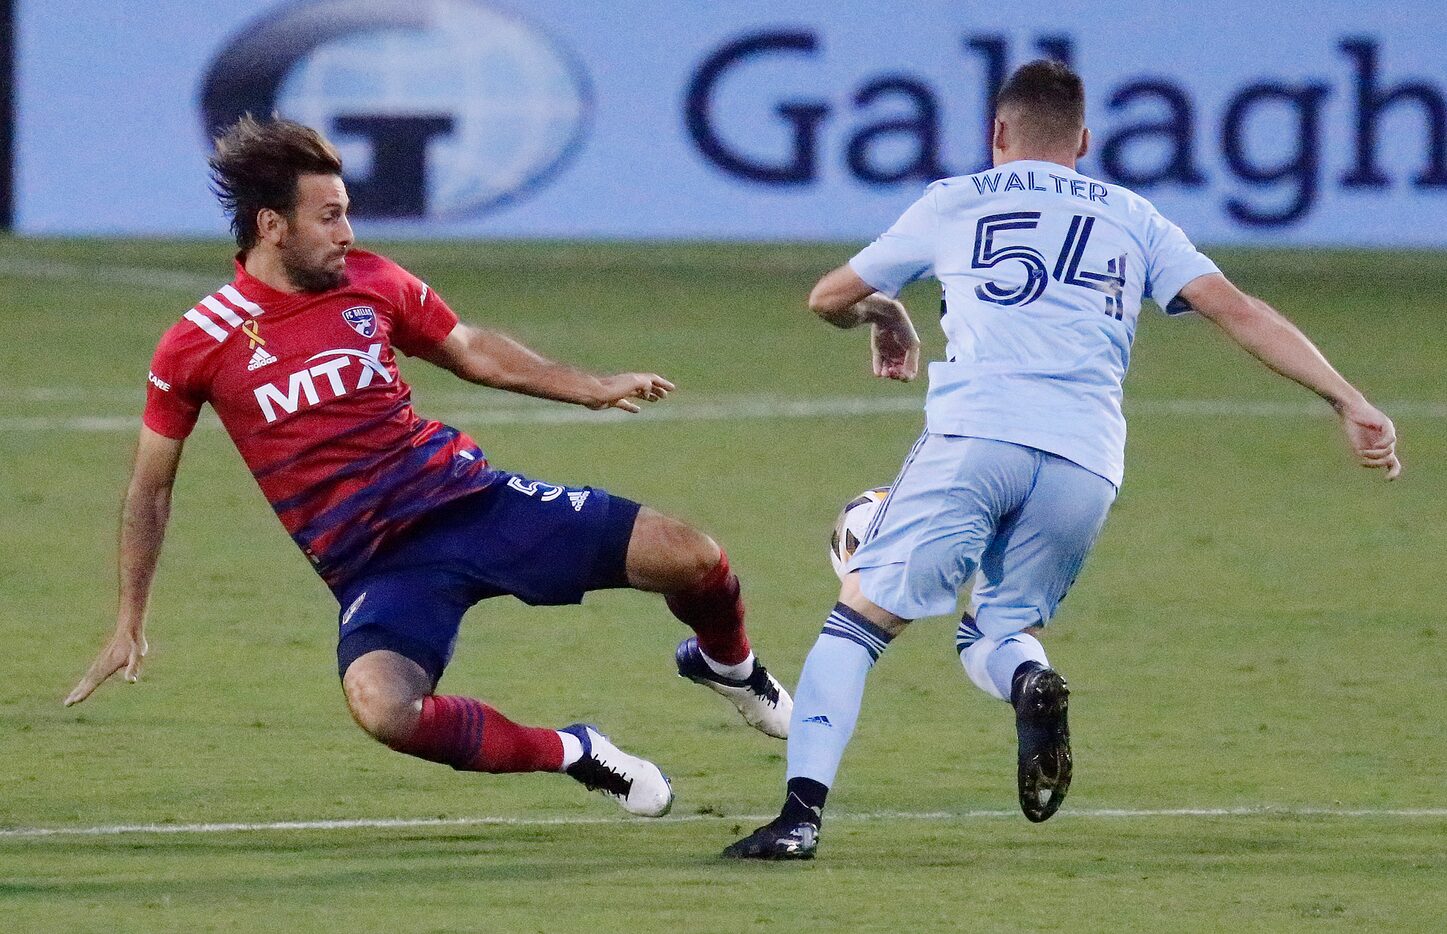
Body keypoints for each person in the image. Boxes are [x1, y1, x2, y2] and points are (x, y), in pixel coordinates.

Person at [724, 60, 1401, 859]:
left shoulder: (955, 200)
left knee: (857, 623)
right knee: (999, 628)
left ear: (997, 134)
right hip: (1085, 460)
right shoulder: (1135, 216)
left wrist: (886, 314)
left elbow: (825, 296)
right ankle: (1025, 683)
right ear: (1083, 141)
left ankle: (799, 819)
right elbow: (1239, 311)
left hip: (977, 436)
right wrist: (1347, 397)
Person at [64, 115, 793, 818]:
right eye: (328, 217)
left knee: (692, 558)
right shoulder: (197, 344)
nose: (347, 234)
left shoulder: (371, 282)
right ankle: (575, 753)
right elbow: (150, 490)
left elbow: (470, 348)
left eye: (346, 213)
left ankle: (728, 667)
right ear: (270, 225)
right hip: (375, 565)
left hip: (468, 502)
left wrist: (588, 386)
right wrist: (130, 618)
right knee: (383, 707)